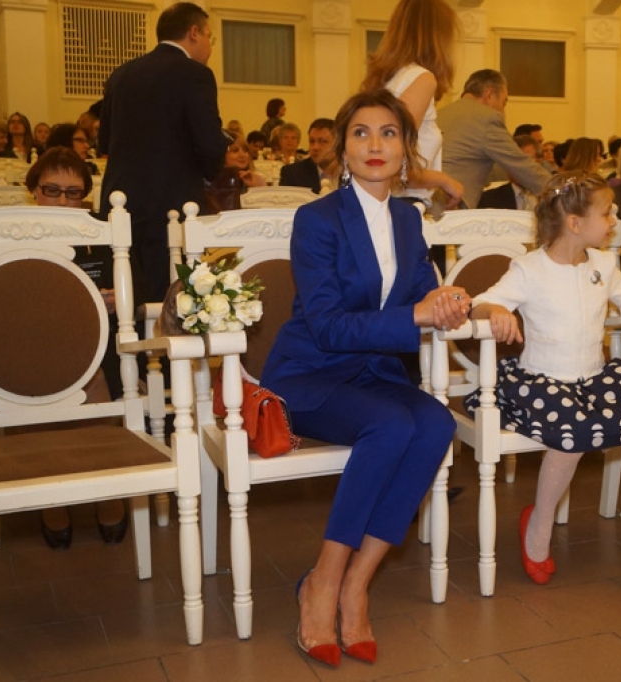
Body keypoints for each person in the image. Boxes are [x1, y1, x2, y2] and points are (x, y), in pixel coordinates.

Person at [261, 89, 467, 667]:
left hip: (372, 372)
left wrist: (460, 300)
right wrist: (418, 315)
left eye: (389, 133)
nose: (375, 144)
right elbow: (327, 326)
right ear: (341, 148)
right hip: (309, 375)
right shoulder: (317, 219)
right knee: (391, 425)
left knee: (435, 424)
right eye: (361, 132)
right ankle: (323, 582)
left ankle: (358, 583)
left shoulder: (407, 218)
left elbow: (423, 291)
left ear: (406, 149)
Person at [467, 171, 621, 590]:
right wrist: (496, 311)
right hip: (542, 381)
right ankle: (539, 522)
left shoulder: (603, 264)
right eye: (606, 213)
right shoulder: (529, 268)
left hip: (594, 378)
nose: (614, 220)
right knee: (572, 431)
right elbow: (482, 301)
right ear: (574, 222)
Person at [25, 147, 128, 549]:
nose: (63, 201)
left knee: (93, 360)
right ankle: (53, 497)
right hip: (32, 343)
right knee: (41, 359)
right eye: (52, 190)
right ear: (34, 191)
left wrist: (118, 297)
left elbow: (131, 283)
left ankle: (107, 491)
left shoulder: (102, 232)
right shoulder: (10, 232)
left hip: (97, 339)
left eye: (73, 193)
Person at [98, 2, 226, 303]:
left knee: (130, 297)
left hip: (121, 204)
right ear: (194, 33)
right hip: (171, 205)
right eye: (209, 37)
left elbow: (104, 142)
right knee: (171, 301)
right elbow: (209, 145)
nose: (210, 47)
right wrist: (214, 163)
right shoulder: (195, 74)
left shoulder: (121, 74)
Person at [361, 0, 464, 212]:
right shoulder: (422, 79)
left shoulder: (388, 79)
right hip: (400, 205)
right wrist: (443, 180)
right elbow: (395, 163)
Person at [437, 69, 551, 208]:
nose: (503, 112)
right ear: (489, 94)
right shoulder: (487, 119)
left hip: (425, 203)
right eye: (503, 103)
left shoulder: (439, 114)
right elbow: (523, 167)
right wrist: (565, 190)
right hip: (450, 207)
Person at [204, 130, 266, 212]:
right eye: (235, 150)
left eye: (245, 150)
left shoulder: (257, 179)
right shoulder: (210, 183)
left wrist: (255, 187)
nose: (242, 155)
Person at [279, 118, 336, 193]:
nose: (315, 147)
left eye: (323, 142)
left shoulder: (350, 172)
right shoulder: (292, 174)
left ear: (338, 144)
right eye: (312, 141)